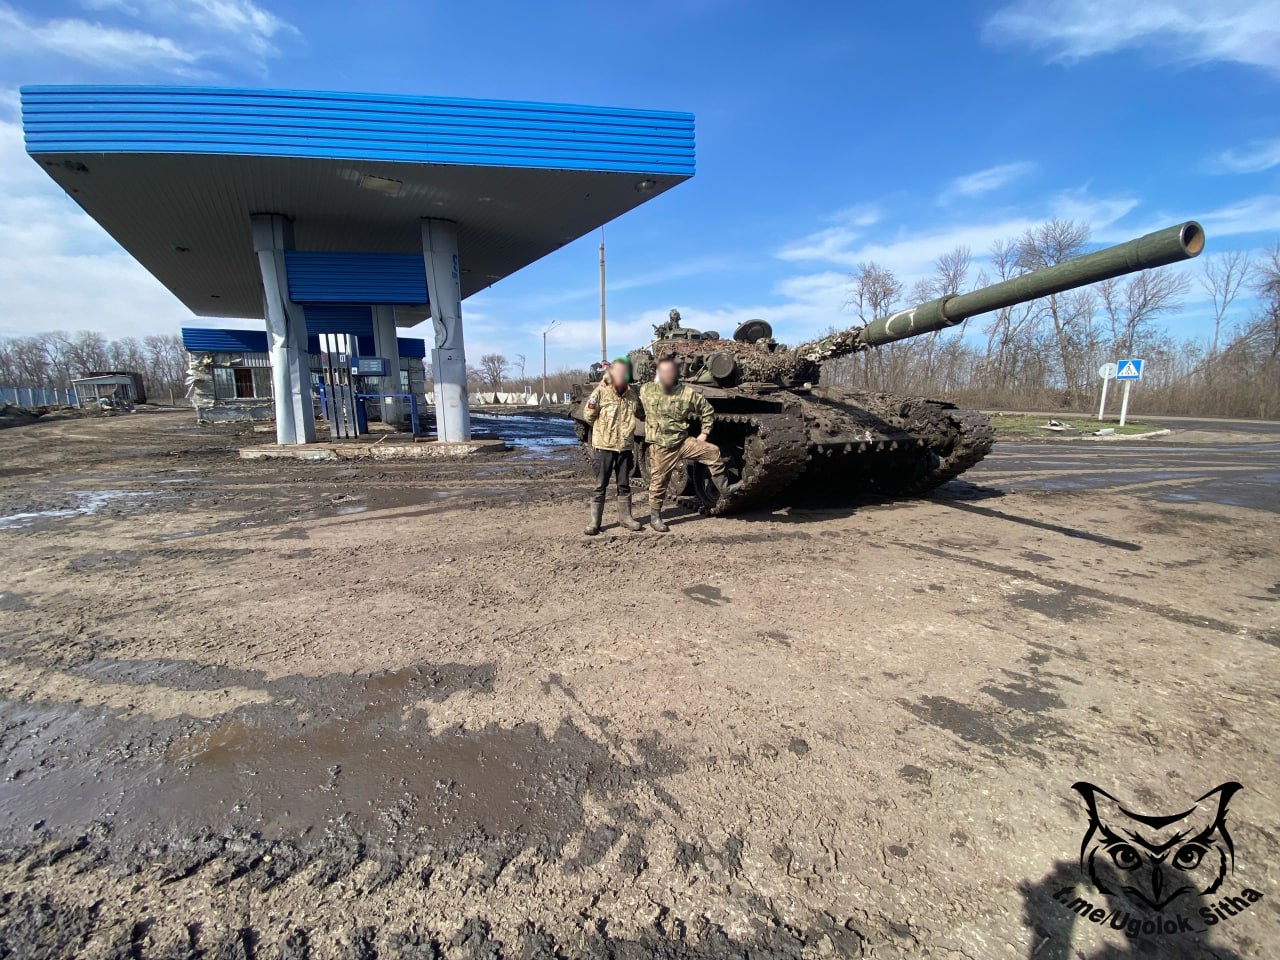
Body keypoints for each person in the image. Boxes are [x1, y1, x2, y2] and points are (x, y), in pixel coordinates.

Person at [639, 356, 739, 532]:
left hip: (682, 441)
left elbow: (707, 410)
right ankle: (655, 517)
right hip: (662, 446)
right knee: (658, 481)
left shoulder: (686, 392)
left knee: (713, 452)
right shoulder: (647, 390)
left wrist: (704, 433)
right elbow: (636, 408)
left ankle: (725, 488)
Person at [581, 358, 643, 536]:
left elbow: (640, 412)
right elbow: (589, 415)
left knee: (624, 485)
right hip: (604, 447)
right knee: (601, 485)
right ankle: (595, 522)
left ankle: (625, 518)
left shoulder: (632, 394)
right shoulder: (601, 392)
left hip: (624, 447)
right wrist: (602, 432)